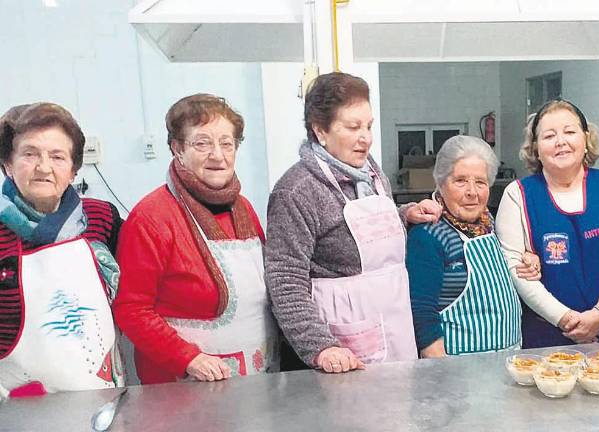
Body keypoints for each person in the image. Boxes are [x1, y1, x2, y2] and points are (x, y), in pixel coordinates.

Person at [265, 72, 442, 374]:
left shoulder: (372, 174)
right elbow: (284, 278)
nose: (366, 137)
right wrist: (320, 346)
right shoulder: (297, 191)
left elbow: (356, 231)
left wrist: (404, 214)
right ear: (320, 130)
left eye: (369, 126)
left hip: (394, 325)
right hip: (342, 344)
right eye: (353, 127)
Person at [113, 94, 277, 384]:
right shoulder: (151, 218)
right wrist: (187, 358)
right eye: (202, 143)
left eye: (227, 143)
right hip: (183, 387)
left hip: (254, 377)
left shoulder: (245, 209)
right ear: (177, 148)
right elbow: (131, 310)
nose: (218, 155)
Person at [496, 99, 599, 348]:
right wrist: (566, 320)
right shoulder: (518, 195)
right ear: (535, 147)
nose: (560, 142)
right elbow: (515, 269)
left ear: (586, 138)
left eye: (569, 132)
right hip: (544, 335)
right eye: (549, 136)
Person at [0, 103, 124, 396]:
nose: (43, 167)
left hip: (103, 397)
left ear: (73, 169)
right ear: (7, 164)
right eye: (29, 154)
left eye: (57, 156)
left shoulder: (102, 218)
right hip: (18, 407)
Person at [406, 135, 523, 357]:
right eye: (460, 181)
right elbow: (421, 313)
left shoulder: (492, 224)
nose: (472, 192)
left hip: (508, 363)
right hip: (458, 373)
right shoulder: (428, 235)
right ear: (441, 184)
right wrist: (441, 372)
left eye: (480, 182)